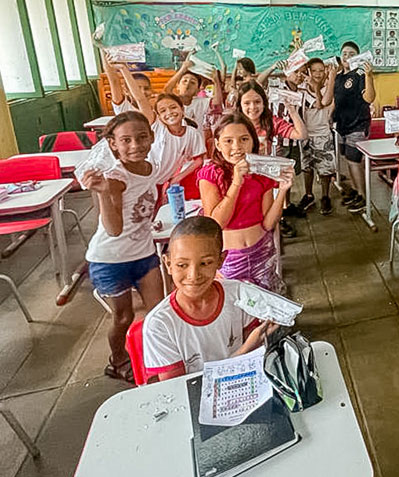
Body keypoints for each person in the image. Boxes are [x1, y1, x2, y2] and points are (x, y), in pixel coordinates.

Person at [81, 111, 167, 383]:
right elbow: (114, 228)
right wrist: (103, 192)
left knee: (158, 311)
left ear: (152, 137)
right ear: (113, 144)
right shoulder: (115, 177)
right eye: (126, 140)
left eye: (142, 137)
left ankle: (158, 359)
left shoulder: (149, 166)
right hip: (110, 259)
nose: (135, 145)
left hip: (143, 253)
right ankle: (117, 360)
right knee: (124, 316)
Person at [142, 216, 277, 381]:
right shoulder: (159, 324)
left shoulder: (238, 295)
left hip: (243, 386)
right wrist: (247, 349)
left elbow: (255, 362)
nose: (194, 275)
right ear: (168, 264)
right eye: (182, 265)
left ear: (221, 260)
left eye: (205, 263)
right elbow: (178, 388)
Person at [198, 112, 295, 289]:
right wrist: (236, 182)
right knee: (236, 307)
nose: (237, 146)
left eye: (244, 139)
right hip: (229, 258)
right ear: (218, 145)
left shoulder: (261, 173)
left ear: (253, 142)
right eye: (228, 141)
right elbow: (216, 223)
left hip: (262, 250)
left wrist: (282, 191)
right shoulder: (211, 174)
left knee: (267, 304)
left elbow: (268, 224)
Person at [236, 81, 307, 237]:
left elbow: (301, 135)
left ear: (264, 102)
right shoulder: (234, 124)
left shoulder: (270, 122)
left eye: (257, 102)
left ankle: (275, 231)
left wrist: (293, 112)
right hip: (241, 179)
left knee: (268, 220)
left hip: (265, 179)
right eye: (247, 103)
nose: (252, 107)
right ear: (239, 105)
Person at [333, 41, 376, 214]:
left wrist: (369, 76)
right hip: (341, 125)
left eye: (352, 54)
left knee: (354, 161)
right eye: (344, 53)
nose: (347, 56)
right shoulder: (338, 76)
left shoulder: (360, 74)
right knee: (348, 161)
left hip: (357, 124)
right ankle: (357, 192)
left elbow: (369, 98)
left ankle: (363, 197)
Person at [297, 58, 338, 216]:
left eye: (321, 70)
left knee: (325, 170)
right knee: (307, 167)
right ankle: (308, 195)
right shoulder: (301, 88)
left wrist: (331, 78)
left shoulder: (328, 86)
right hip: (305, 134)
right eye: (314, 70)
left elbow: (326, 102)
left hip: (322, 134)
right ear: (308, 71)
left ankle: (325, 196)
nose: (318, 74)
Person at [163, 58, 221, 134]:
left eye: (192, 82)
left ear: (198, 90)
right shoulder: (173, 101)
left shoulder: (200, 102)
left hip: (196, 142)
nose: (187, 84)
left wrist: (216, 80)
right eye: (184, 81)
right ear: (178, 86)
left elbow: (217, 101)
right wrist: (182, 70)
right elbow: (167, 90)